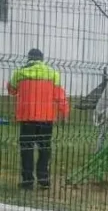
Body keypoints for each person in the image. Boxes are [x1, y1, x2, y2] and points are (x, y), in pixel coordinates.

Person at [7, 49, 69, 190]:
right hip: (46, 118)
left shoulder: (20, 72)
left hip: (27, 117)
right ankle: (43, 179)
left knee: (26, 149)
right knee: (44, 148)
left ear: (29, 58)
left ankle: (27, 181)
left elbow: (11, 90)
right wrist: (64, 112)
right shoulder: (53, 74)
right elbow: (60, 96)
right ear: (42, 59)